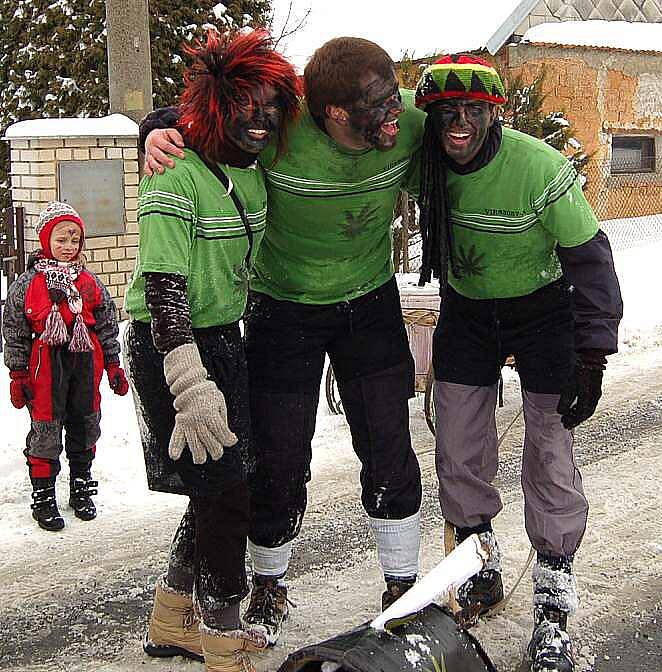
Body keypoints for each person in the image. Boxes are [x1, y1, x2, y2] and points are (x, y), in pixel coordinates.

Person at [141, 36, 426, 644]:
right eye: (376, 103)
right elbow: (214, 119)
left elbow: (471, 142)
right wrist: (156, 127)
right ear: (333, 113)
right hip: (282, 310)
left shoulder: (408, 129)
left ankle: (402, 583)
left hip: (370, 304)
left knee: (388, 444)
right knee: (276, 457)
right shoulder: (283, 129)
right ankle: (269, 583)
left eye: (393, 97)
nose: (393, 114)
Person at [412, 55, 623, 672]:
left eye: (472, 111)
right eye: (447, 112)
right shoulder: (421, 156)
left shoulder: (538, 168)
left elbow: (592, 260)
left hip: (543, 310)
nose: (458, 123)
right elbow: (340, 104)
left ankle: (554, 597)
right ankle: (480, 562)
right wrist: (162, 126)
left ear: (493, 114)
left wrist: (592, 353)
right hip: (469, 311)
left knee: (551, 448)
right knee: (456, 440)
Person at [123, 29, 302, 672]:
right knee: (224, 490)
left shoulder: (250, 176)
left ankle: (171, 615)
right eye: (246, 104)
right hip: (168, 340)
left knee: (224, 481)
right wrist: (188, 381)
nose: (261, 120)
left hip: (225, 335)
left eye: (272, 106)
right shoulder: (174, 175)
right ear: (218, 104)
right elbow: (164, 286)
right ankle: (224, 636)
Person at [2, 201, 128, 531]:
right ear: (46, 240)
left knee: (85, 424)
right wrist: (17, 374)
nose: (68, 247)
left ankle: (81, 486)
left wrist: (113, 365)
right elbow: (14, 331)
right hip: (46, 369)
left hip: (85, 365)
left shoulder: (88, 282)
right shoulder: (27, 285)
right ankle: (43, 497)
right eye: (61, 240)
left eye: (74, 241)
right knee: (46, 430)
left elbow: (105, 324)